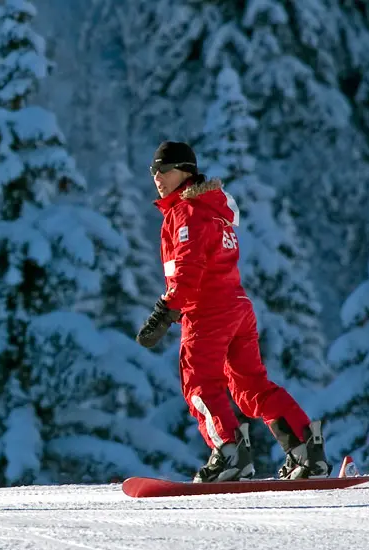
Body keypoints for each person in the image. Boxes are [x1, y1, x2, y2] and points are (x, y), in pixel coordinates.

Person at [135, 141, 329, 482]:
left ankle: (229, 455)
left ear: (185, 171)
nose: (158, 178)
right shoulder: (210, 209)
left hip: (208, 311)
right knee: (251, 387)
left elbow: (189, 269)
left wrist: (164, 311)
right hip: (236, 307)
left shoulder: (188, 211)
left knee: (199, 384)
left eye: (164, 170)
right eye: (154, 171)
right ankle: (306, 452)